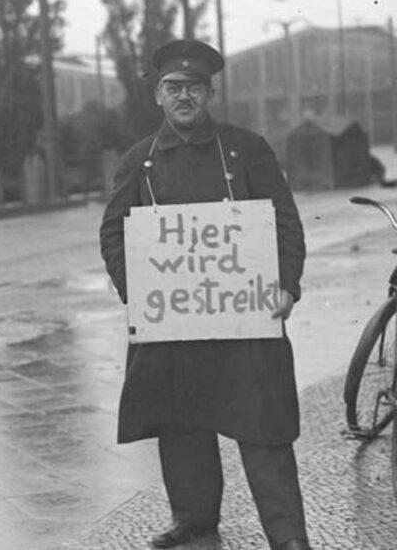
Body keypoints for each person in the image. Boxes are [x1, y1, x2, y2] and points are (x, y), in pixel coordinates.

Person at [99, 41, 312, 550]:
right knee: (181, 424)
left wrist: (285, 284)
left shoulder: (247, 148)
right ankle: (194, 522)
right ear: (158, 96)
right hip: (176, 325)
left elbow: (284, 220)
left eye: (194, 87)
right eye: (174, 88)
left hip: (245, 321)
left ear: (210, 92)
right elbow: (113, 233)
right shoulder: (139, 161)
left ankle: (289, 538)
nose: (184, 96)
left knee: (264, 429)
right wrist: (143, 293)